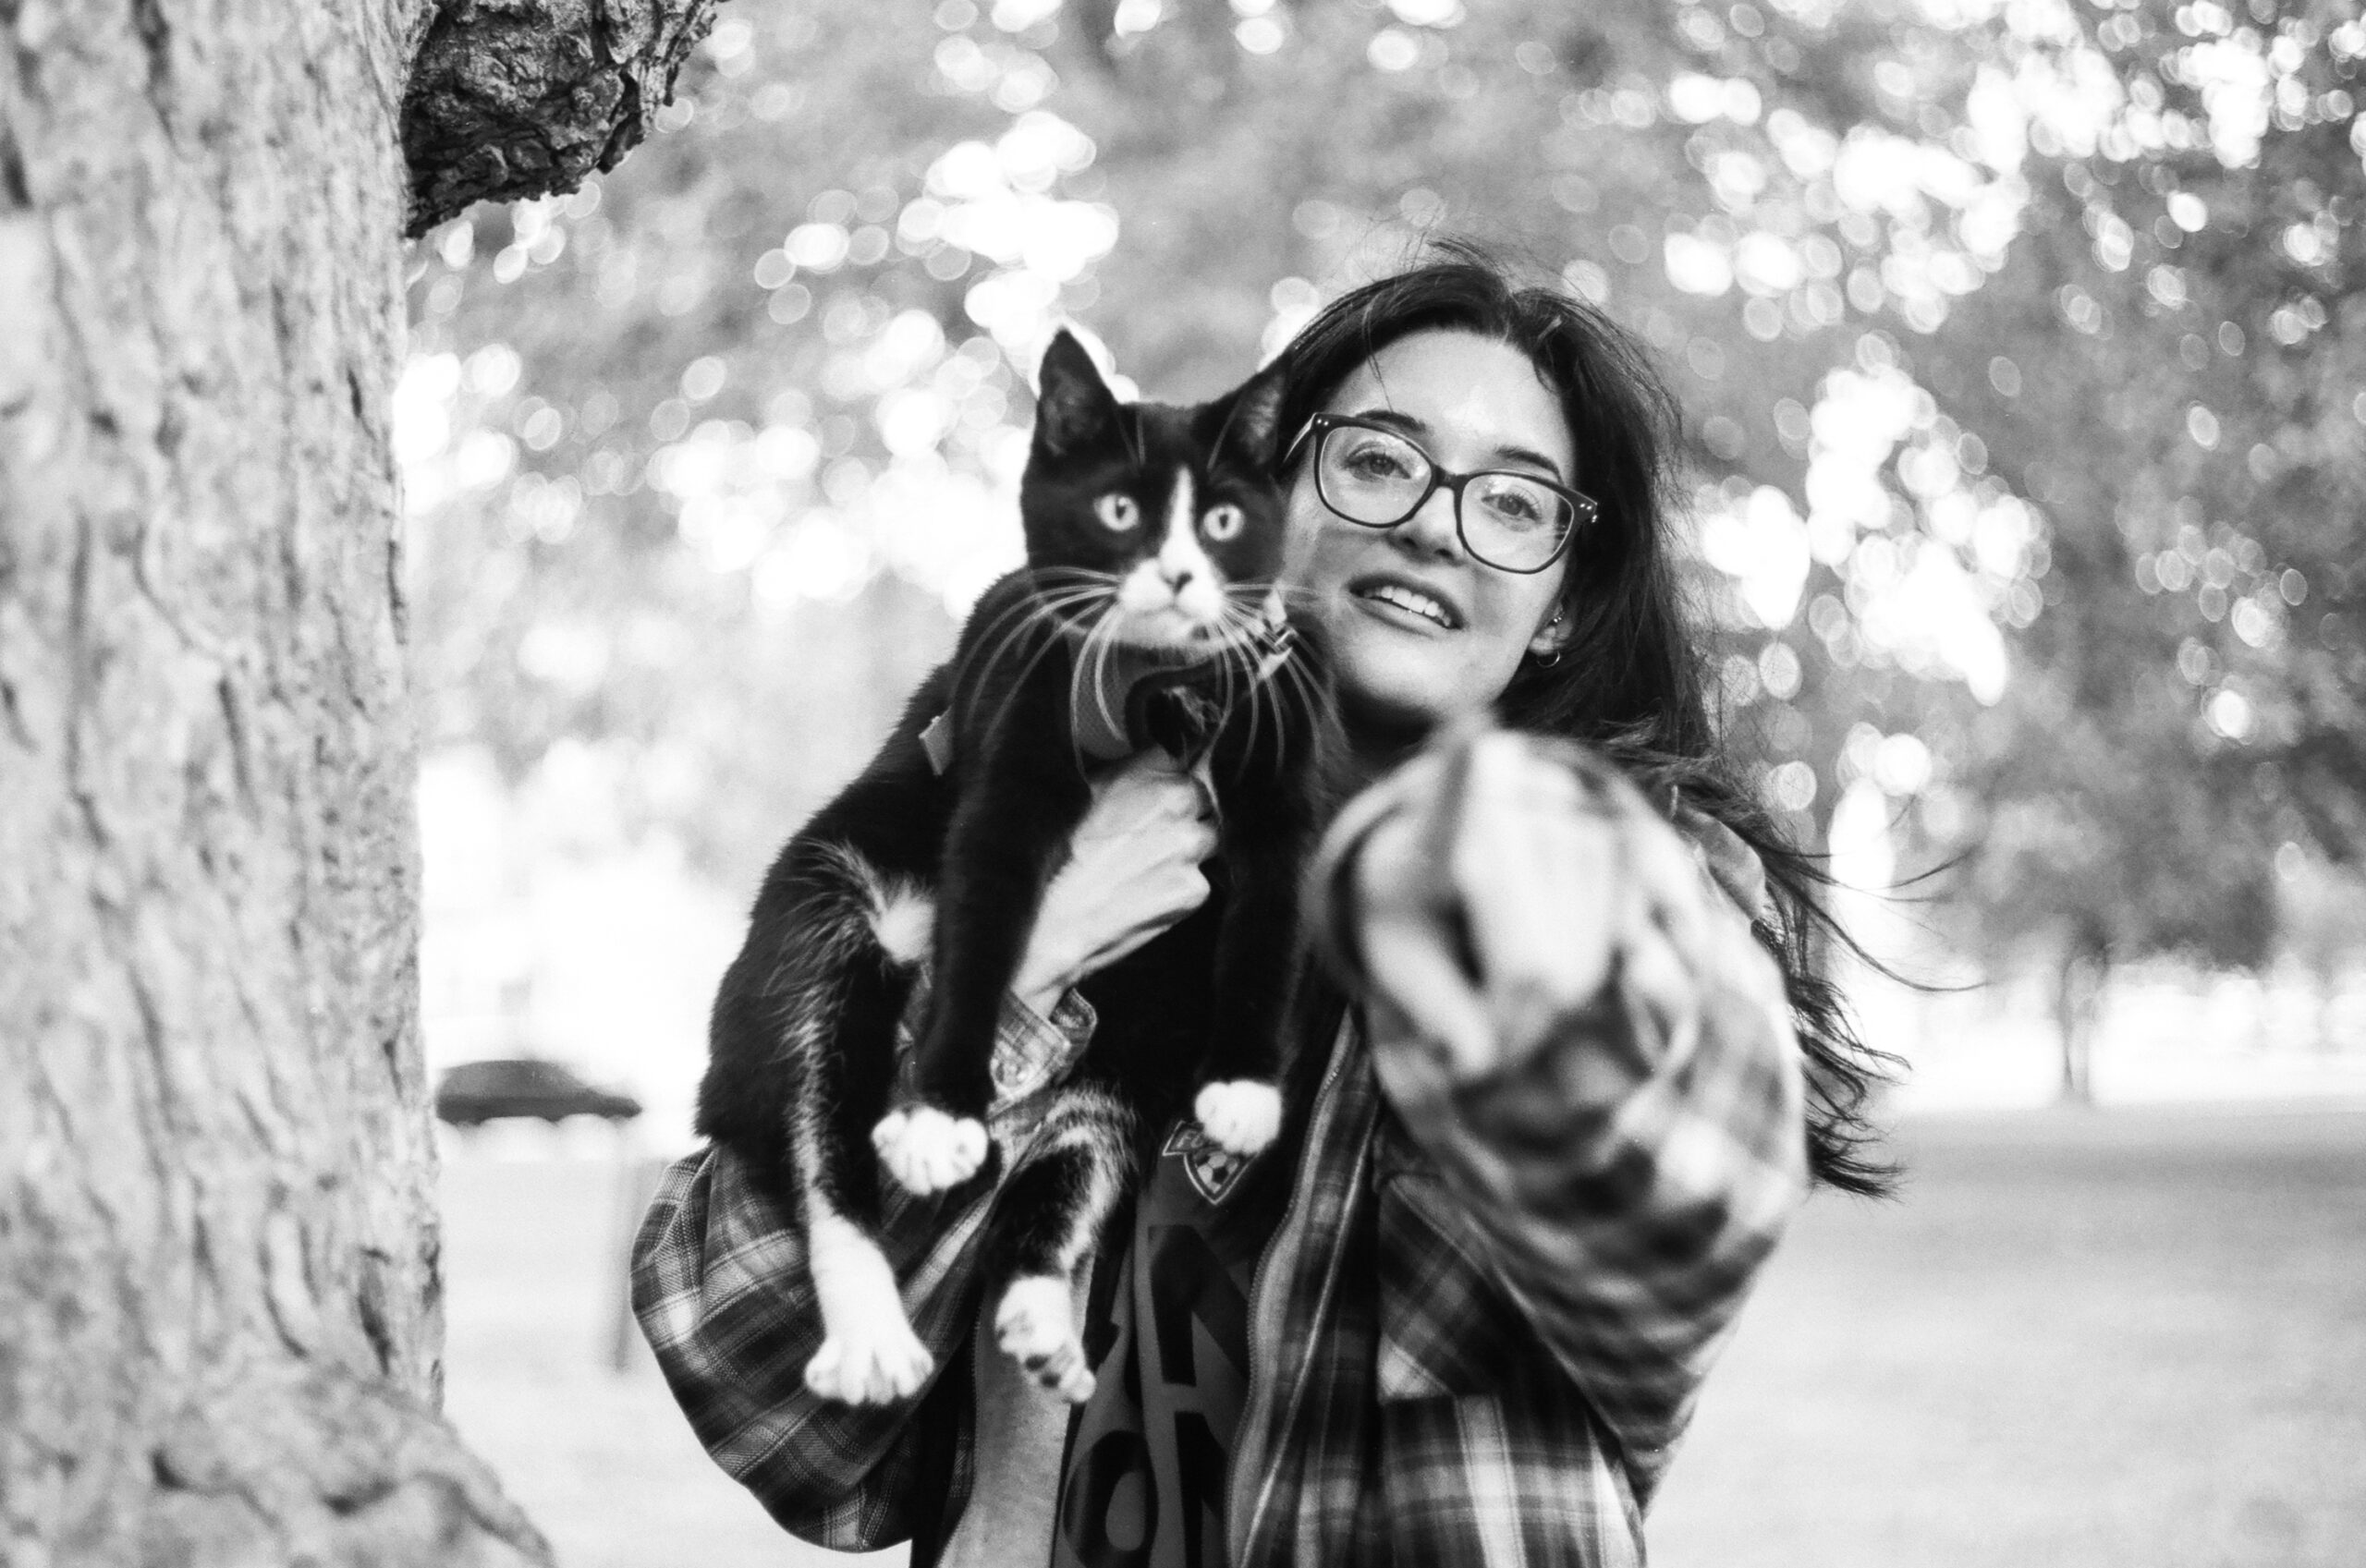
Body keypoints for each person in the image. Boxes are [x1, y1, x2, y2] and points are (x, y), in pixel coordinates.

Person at [631, 244, 1891, 1567]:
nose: (1430, 519)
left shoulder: (1618, 891)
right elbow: (762, 1387)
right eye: (1376, 459)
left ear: (1562, 600)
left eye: (1515, 504)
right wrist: (1017, 979)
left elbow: (1681, 1145)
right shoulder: (1096, 830)